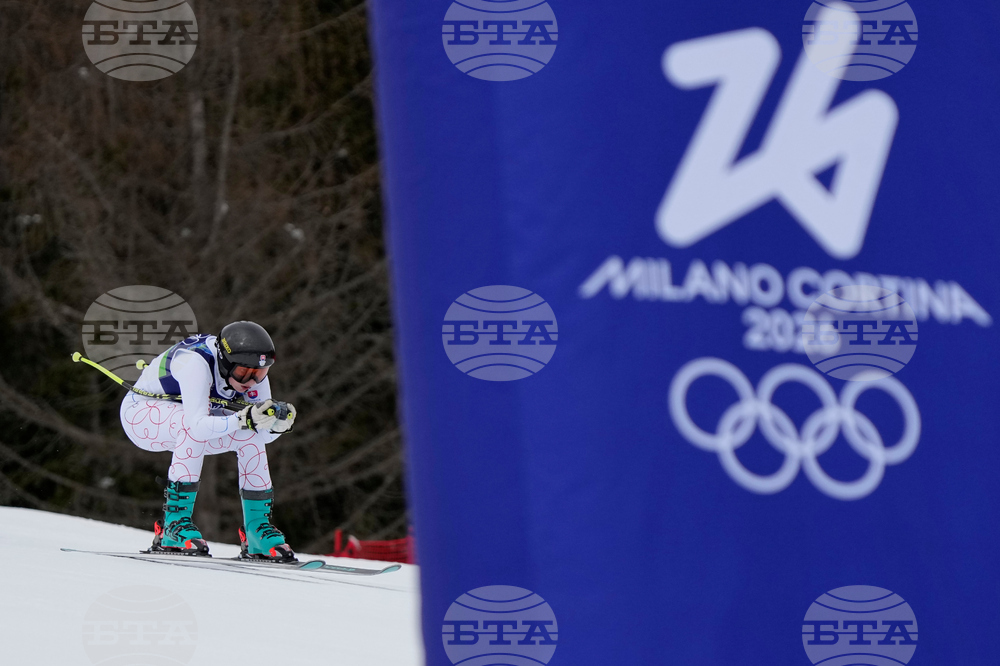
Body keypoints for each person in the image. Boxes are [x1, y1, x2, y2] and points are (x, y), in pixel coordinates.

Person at [119, 320, 298, 561]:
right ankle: (174, 526)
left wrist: (277, 426)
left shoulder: (253, 372)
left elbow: (261, 435)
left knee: (249, 433)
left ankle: (256, 531)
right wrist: (243, 419)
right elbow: (196, 426)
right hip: (141, 418)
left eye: (260, 374)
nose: (251, 381)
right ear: (225, 362)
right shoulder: (196, 362)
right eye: (244, 373)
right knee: (193, 426)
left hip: (190, 423)